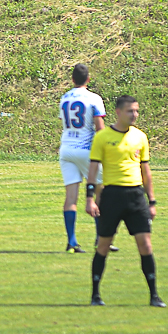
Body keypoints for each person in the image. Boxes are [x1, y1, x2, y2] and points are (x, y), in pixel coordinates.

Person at [85, 95, 163, 307]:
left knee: (145, 245)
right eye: (130, 111)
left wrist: (152, 201)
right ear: (118, 112)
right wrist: (90, 198)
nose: (134, 115)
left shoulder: (140, 137)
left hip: (136, 197)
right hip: (111, 197)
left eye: (136, 111)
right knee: (103, 246)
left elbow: (146, 171)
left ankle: (154, 296)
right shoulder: (102, 137)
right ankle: (95, 295)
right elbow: (93, 171)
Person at [58, 63, 106, 253]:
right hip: (86, 149)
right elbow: (100, 128)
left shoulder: (64, 98)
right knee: (101, 192)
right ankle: (100, 239)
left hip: (66, 148)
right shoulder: (94, 98)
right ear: (88, 79)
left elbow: (64, 123)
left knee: (71, 197)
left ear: (72, 79)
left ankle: (71, 242)